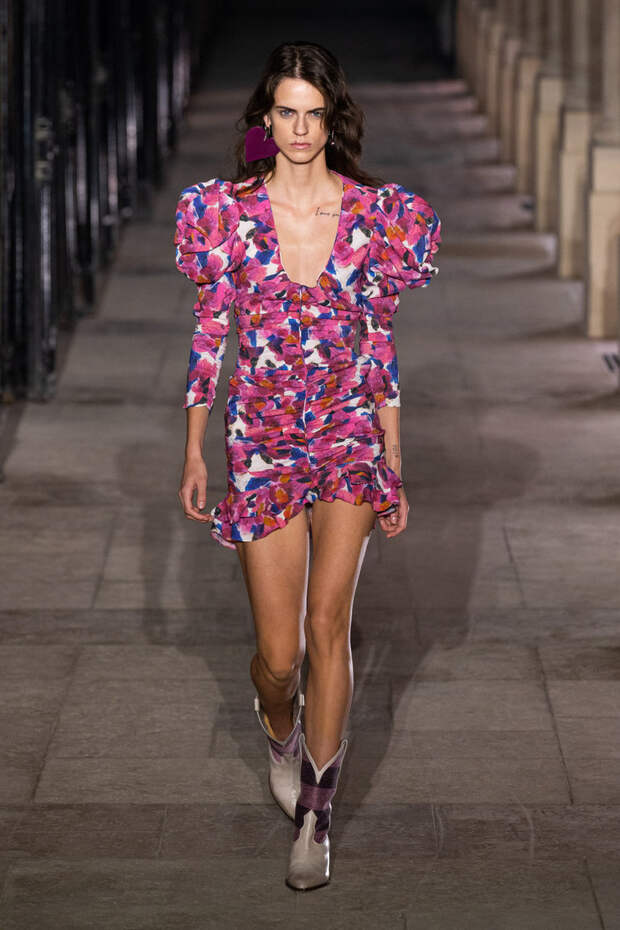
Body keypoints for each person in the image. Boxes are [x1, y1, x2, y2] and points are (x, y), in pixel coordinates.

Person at [175, 41, 441, 891]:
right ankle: (278, 728)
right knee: (281, 657)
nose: (298, 128)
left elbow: (378, 343)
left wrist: (392, 458)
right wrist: (194, 448)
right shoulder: (223, 214)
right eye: (285, 112)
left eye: (312, 114)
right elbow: (210, 336)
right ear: (267, 118)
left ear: (332, 121)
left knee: (330, 625)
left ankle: (317, 819)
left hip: (349, 438)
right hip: (259, 442)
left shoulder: (376, 216)